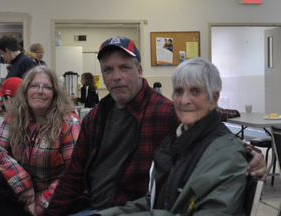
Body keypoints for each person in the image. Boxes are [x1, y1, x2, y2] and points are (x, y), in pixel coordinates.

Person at [44, 37, 266, 216]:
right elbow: (73, 175)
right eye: (108, 70)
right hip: (98, 207)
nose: (116, 77)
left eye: (124, 67)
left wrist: (249, 153)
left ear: (139, 71)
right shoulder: (95, 117)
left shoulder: (165, 112)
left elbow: (212, 134)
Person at [93, 57, 258, 216]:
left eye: (195, 91)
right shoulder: (174, 143)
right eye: (179, 91)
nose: (185, 100)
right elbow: (153, 201)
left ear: (214, 99)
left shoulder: (226, 156)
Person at [0, 65, 81, 216]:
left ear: (55, 94)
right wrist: (22, 183)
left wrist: (41, 203)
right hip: (19, 193)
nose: (40, 91)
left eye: (47, 87)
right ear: (25, 90)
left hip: (56, 200)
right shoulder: (14, 115)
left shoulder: (69, 123)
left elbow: (74, 173)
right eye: (34, 86)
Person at [0, 34, 36, 115]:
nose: (3, 57)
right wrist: (3, 107)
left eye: (2, 53)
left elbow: (32, 89)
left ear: (8, 51)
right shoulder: (16, 64)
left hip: (25, 112)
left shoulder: (25, 62)